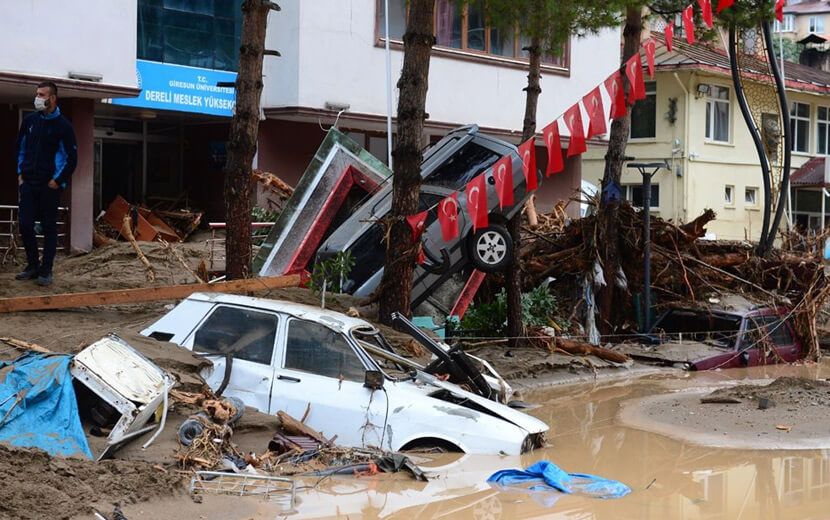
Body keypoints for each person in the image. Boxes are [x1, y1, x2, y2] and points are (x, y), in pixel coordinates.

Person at [15, 81, 77, 286]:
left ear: (52, 98)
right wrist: (20, 175)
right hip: (28, 183)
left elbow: (71, 159)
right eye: (37, 94)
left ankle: (46, 269)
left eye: (42, 95)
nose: (38, 98)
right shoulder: (30, 121)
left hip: (49, 185)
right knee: (25, 224)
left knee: (49, 227)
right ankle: (32, 265)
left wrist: (57, 181)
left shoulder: (64, 127)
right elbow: (20, 148)